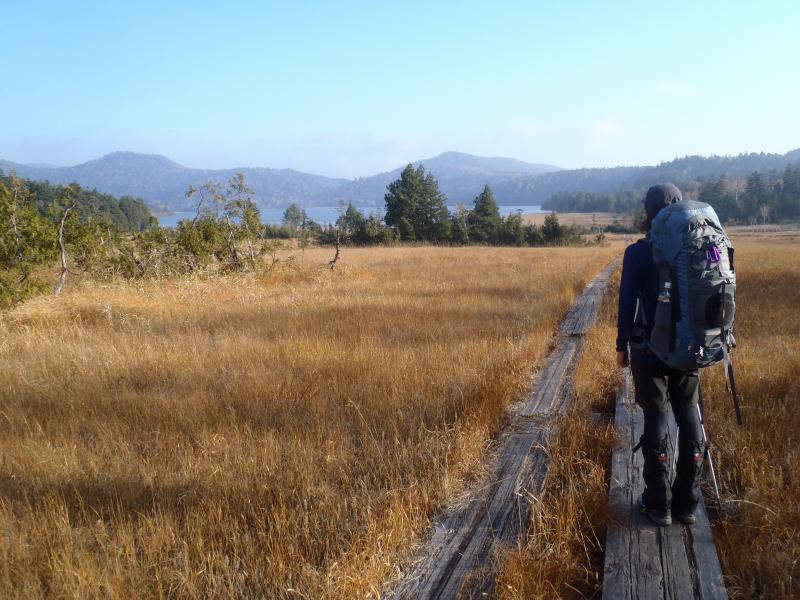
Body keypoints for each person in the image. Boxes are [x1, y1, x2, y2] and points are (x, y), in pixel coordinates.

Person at [616, 183, 705, 527]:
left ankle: (658, 504)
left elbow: (627, 304)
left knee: (654, 418)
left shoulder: (638, 252)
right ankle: (687, 503)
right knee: (688, 415)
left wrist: (622, 345)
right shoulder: (694, 248)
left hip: (649, 351)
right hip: (689, 349)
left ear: (649, 212)